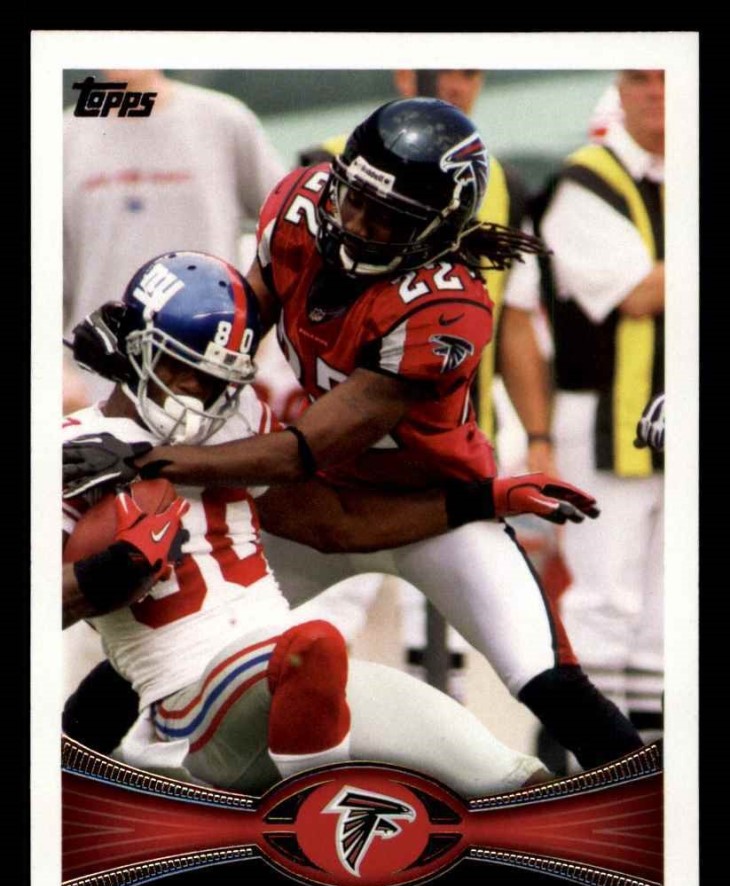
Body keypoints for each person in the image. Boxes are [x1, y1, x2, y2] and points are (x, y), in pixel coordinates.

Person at [66, 99, 644, 772]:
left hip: (429, 510)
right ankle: (70, 774)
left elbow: (304, 448)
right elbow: (235, 336)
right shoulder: (300, 207)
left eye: (388, 218)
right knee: (178, 625)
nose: (359, 226)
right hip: (320, 501)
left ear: (436, 229)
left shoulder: (447, 305)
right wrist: (134, 358)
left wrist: (147, 458)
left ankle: (640, 806)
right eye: (356, 200)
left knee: (547, 677)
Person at [62, 250, 568, 796]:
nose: (193, 392)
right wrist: (115, 568)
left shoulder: (238, 419)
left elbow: (340, 524)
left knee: (513, 780)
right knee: (317, 645)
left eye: (211, 379)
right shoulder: (71, 449)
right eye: (175, 367)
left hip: (285, 668)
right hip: (191, 698)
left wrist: (484, 499)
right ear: (135, 347)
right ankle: (316, 815)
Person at [297, 73, 553, 697]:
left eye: (467, 70)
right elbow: (279, 289)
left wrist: (539, 434)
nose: (453, 84)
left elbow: (516, 324)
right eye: (438, 69)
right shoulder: (322, 164)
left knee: (455, 643)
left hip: (443, 447)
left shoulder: (502, 185)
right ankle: (302, 738)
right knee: (310, 628)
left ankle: (436, 750)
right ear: (403, 74)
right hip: (332, 442)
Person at [530, 70, 665, 733]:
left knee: (666, 612)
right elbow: (636, 294)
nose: (659, 91)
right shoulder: (585, 180)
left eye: (667, 77)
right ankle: (593, 753)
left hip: (667, 410)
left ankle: (654, 764)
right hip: (605, 414)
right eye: (641, 78)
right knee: (605, 601)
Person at [64, 69, 286, 406]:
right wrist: (54, 369)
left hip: (210, 374)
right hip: (96, 382)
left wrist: (258, 321)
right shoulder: (61, 137)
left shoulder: (224, 120)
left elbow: (288, 228)